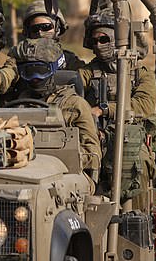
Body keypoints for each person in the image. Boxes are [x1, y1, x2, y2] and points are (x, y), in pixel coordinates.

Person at [9, 38, 101, 172]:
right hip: (25, 171)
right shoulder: (19, 104)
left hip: (69, 172)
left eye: (40, 71)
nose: (35, 78)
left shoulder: (75, 104)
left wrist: (56, 159)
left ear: (53, 69)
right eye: (28, 72)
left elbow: (93, 154)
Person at [78, 8, 156, 121]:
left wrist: (104, 110)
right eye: (94, 41)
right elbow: (71, 97)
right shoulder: (87, 72)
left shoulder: (141, 73)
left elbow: (144, 106)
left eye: (104, 39)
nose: (99, 45)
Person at [21, 0, 85, 70]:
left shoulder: (69, 61)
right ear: (28, 32)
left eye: (46, 27)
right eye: (34, 28)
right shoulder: (19, 58)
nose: (40, 32)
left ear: (57, 28)